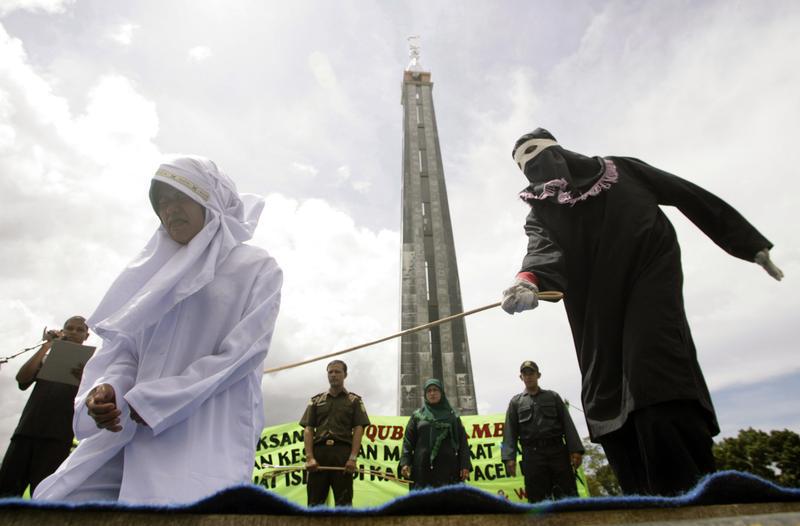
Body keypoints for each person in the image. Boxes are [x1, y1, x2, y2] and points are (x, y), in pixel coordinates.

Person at [501, 128, 783, 495]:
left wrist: (747, 242)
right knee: (606, 388)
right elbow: (542, 248)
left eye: (538, 161)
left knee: (652, 365)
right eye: (527, 170)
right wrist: (528, 281)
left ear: (560, 153)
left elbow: (687, 194)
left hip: (647, 277)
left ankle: (688, 484)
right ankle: (642, 492)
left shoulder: (623, 171)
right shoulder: (544, 210)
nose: (537, 175)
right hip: (596, 306)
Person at [33, 156, 282, 504]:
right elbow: (128, 351)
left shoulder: (255, 267)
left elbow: (241, 354)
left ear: (210, 199)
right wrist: (109, 390)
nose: (169, 210)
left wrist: (158, 400)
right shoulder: (152, 272)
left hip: (200, 429)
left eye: (180, 198)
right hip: (126, 428)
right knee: (61, 502)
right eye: (161, 202)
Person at [0, 317, 89, 497]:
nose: (73, 332)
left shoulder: (90, 367)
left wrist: (84, 378)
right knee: (5, 491)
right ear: (62, 331)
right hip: (25, 432)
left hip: (58, 438)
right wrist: (46, 346)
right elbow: (22, 379)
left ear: (87, 336)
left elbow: (89, 400)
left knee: (44, 495)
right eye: (69, 328)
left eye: (79, 330)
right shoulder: (46, 357)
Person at [501, 361, 583, 502]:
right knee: (538, 501)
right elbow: (510, 432)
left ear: (538, 375)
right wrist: (509, 458)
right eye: (525, 374)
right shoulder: (516, 402)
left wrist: (575, 450)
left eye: (531, 373)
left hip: (558, 452)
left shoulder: (553, 397)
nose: (528, 376)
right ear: (521, 377)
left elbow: (567, 424)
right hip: (532, 456)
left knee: (568, 497)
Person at [300, 360, 370, 507]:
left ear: (345, 375)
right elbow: (308, 429)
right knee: (314, 504)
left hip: (342, 456)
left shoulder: (354, 401)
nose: (333, 375)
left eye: (337, 371)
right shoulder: (316, 400)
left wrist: (352, 458)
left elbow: (358, 429)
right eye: (330, 372)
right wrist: (309, 457)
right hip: (319, 455)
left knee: (344, 505)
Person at [399, 378, 471, 490]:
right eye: (429, 391)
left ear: (441, 393)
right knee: (423, 504)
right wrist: (405, 463)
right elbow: (408, 442)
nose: (432, 393)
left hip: (448, 470)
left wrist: (465, 465)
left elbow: (463, 443)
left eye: (435, 390)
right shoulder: (417, 416)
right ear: (425, 394)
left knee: (448, 504)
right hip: (421, 469)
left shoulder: (452, 417)